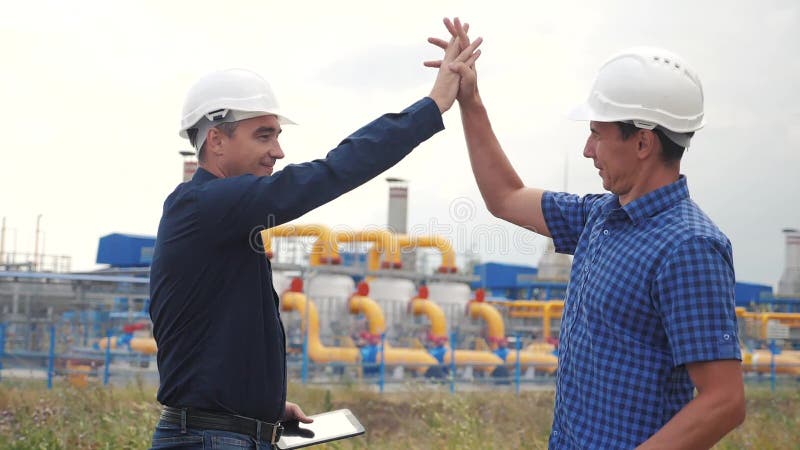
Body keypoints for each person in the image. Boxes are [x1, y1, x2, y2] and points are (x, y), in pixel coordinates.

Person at [148, 20, 482, 450]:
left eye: (278, 135)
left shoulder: (217, 221)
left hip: (222, 432)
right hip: (210, 438)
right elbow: (333, 170)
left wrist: (260, 404)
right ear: (216, 140)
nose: (279, 151)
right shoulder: (204, 207)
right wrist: (433, 105)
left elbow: (208, 332)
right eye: (263, 135)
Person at [427, 21, 745, 449]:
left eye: (597, 133)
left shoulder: (688, 248)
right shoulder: (600, 217)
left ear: (643, 143)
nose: (587, 149)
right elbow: (506, 196)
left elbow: (724, 401)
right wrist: (471, 102)